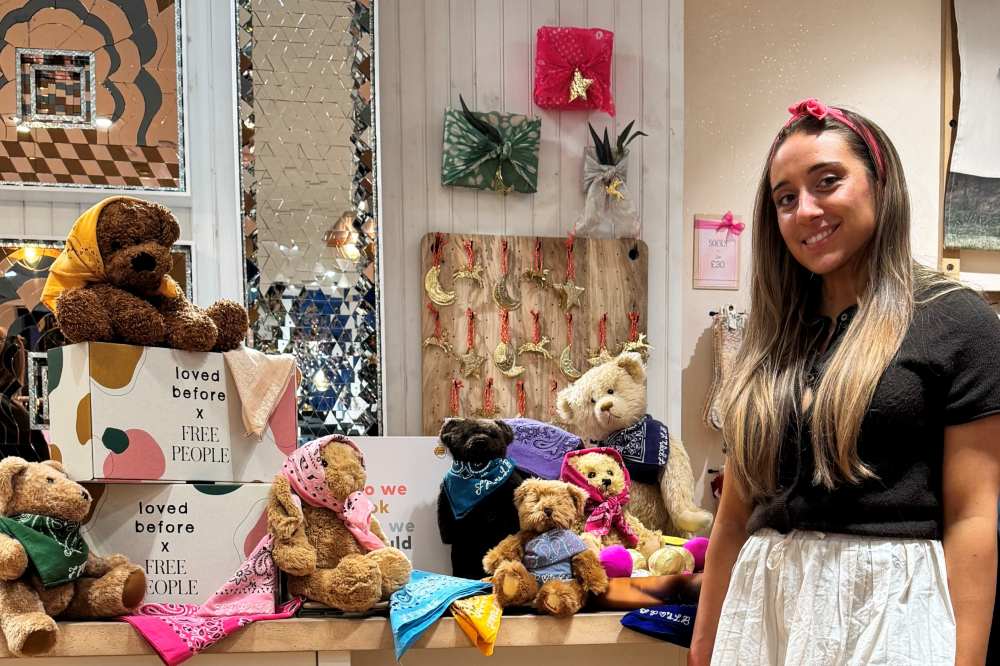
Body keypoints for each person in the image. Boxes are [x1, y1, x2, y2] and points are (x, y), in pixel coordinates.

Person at [688, 98, 1000, 665]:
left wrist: (968, 658)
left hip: (891, 612)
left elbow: (973, 517)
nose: (805, 210)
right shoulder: (772, 335)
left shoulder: (958, 321)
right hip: (764, 608)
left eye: (827, 181)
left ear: (881, 184)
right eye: (785, 199)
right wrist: (705, 644)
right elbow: (734, 512)